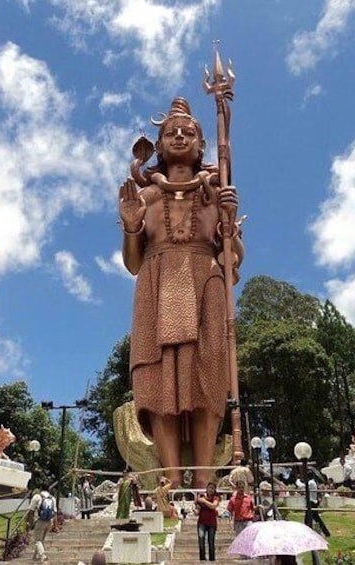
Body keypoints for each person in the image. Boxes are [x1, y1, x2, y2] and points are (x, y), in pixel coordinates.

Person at [119, 96, 243, 488]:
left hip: (203, 282)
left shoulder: (214, 194)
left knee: (207, 380)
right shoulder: (146, 197)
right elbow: (134, 263)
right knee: (159, 384)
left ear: (202, 146)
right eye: (170, 132)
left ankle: (204, 482)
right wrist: (132, 227)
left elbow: (232, 262)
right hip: (156, 284)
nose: (178, 136)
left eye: (188, 132)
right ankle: (170, 481)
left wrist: (229, 228)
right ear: (156, 146)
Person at [29, 489, 56, 561]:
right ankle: (35, 557)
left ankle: (42, 555)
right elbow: (55, 512)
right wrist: (55, 525)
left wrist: (30, 522)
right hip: (49, 521)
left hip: (40, 521)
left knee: (37, 540)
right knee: (41, 540)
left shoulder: (37, 497)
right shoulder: (52, 498)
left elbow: (31, 511)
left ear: (41, 488)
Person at [196, 482, 220, 561]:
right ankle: (202, 560)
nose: (211, 490)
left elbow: (213, 506)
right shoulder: (201, 496)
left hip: (212, 523)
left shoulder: (216, 497)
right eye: (209, 488)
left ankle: (212, 560)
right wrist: (195, 509)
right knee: (201, 540)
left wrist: (204, 501)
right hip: (202, 522)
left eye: (213, 488)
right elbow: (197, 508)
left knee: (211, 542)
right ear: (206, 488)